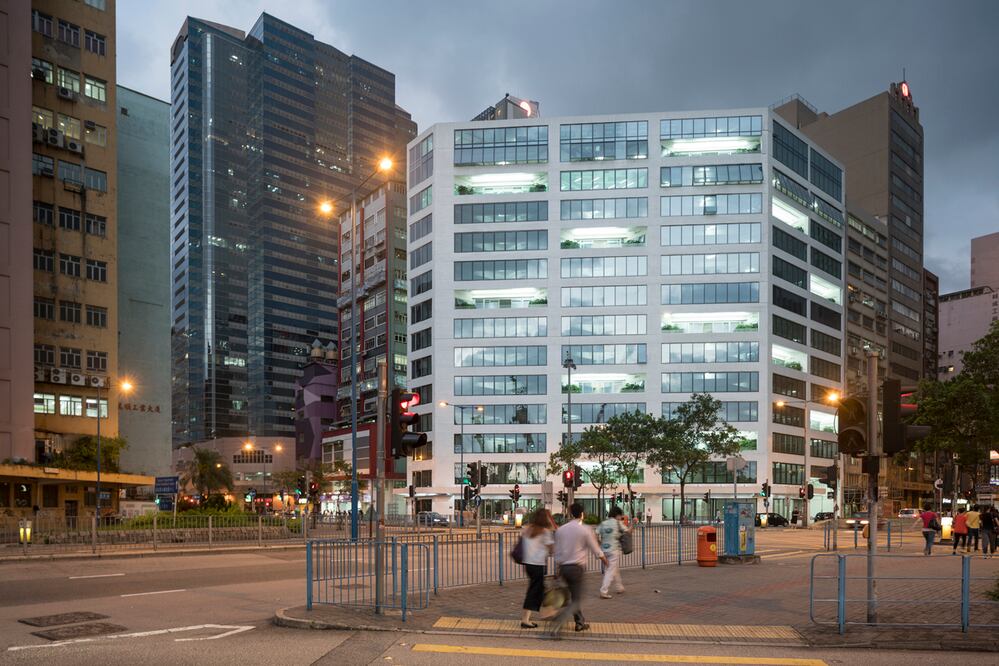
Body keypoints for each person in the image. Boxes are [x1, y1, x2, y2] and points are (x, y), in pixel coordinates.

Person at [547, 502, 607, 637]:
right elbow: (595, 548)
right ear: (582, 514)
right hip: (576, 569)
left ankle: (579, 622)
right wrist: (605, 560)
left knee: (573, 597)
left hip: (563, 568)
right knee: (577, 599)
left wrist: (557, 570)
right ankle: (560, 619)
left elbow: (557, 551)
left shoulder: (561, 530)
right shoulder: (585, 529)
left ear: (570, 513)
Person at [520, 508, 556, 628]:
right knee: (534, 591)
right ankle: (526, 619)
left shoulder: (527, 529)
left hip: (528, 564)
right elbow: (552, 549)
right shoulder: (545, 532)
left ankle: (548, 611)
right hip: (538, 565)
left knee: (539, 588)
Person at [596, 506, 627, 599]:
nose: (620, 517)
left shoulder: (603, 523)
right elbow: (628, 531)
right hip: (614, 550)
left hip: (604, 550)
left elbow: (596, 533)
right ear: (617, 515)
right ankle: (603, 591)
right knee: (610, 570)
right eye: (620, 515)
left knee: (614, 568)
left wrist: (600, 542)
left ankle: (619, 587)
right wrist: (633, 523)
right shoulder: (618, 523)